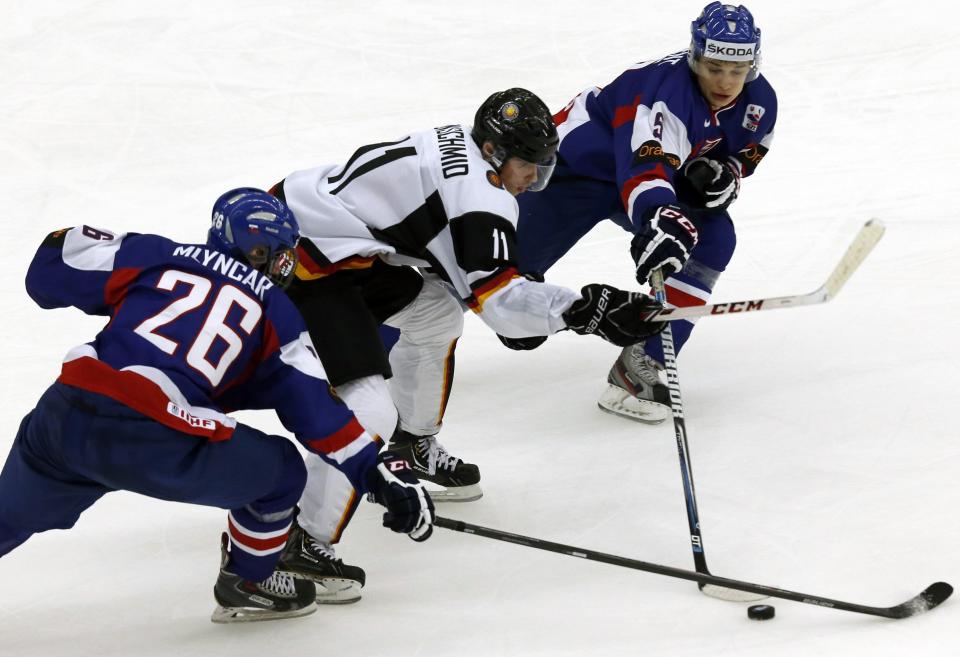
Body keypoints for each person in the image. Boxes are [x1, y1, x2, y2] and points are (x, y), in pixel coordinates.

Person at [268, 87, 667, 599]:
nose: (533, 181)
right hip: (301, 262)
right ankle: (293, 544)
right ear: (494, 153)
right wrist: (583, 309)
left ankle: (412, 447)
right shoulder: (479, 202)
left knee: (434, 313)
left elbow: (471, 281)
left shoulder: (468, 151)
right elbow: (503, 310)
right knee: (367, 410)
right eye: (529, 167)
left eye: (543, 166)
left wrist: (568, 309)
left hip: (342, 243)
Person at [0, 189, 434, 623]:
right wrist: (377, 477)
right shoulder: (275, 308)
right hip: (155, 437)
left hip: (65, 414)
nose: (274, 265)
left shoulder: (155, 255)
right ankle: (249, 581)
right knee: (282, 474)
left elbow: (46, 273)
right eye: (271, 254)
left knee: (8, 517)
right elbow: (319, 416)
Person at [515, 2, 777, 424]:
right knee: (488, 279)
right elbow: (644, 167)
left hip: (643, 179)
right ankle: (380, 346)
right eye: (714, 67)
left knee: (713, 239)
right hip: (570, 173)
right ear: (695, 56)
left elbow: (741, 155)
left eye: (737, 69)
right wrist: (660, 217)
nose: (726, 81)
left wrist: (723, 175)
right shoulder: (665, 91)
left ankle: (641, 365)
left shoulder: (760, 101)